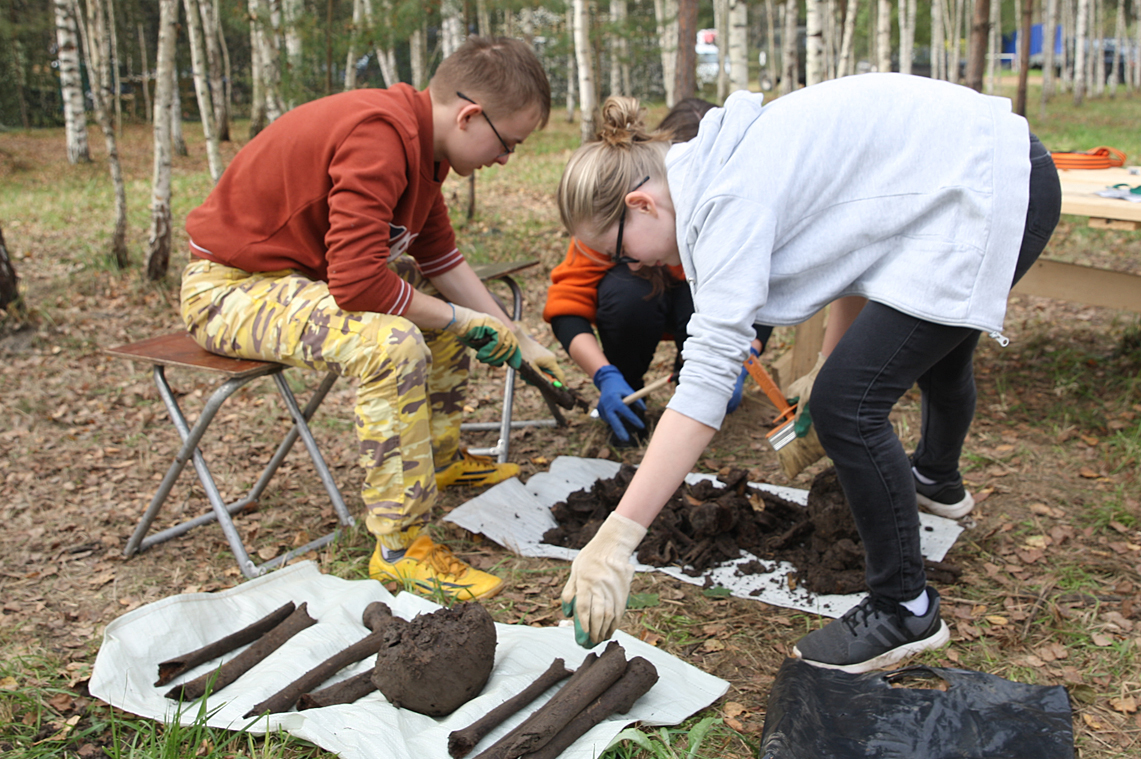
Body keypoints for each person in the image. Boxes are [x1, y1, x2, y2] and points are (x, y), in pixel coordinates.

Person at [554, 74, 1062, 672]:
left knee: (850, 404)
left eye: (618, 251)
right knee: (930, 351)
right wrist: (827, 359)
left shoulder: (725, 200)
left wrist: (619, 537)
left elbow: (707, 381)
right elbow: (856, 249)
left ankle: (906, 608)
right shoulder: (713, 164)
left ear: (640, 204)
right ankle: (937, 484)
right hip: (983, 167)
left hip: (989, 186)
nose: (631, 264)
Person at [181, 36, 560, 601]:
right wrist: (460, 319)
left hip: (293, 285)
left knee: (441, 307)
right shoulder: (379, 138)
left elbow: (442, 261)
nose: (505, 159)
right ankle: (400, 547)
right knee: (396, 341)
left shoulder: (426, 152)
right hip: (228, 291)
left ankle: (437, 458)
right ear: (471, 116)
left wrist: (519, 336)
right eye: (509, 143)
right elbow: (357, 282)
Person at [545, 99, 773, 445]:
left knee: (697, 303)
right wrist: (605, 375)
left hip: (698, 315)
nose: (631, 261)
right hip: (642, 310)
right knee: (627, 290)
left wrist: (743, 357)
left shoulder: (729, 217)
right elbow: (567, 310)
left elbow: (763, 290)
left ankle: (695, 396)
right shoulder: (606, 226)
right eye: (617, 255)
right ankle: (629, 395)